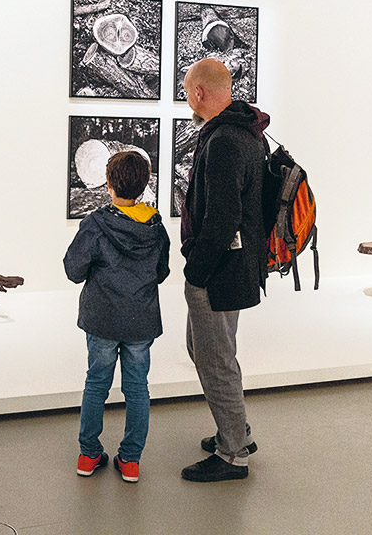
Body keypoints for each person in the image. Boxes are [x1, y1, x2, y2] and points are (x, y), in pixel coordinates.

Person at [179, 58, 269, 482]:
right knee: (209, 352)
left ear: (199, 92)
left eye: (186, 91)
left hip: (220, 272)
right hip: (235, 266)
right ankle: (237, 430)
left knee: (215, 360)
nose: (187, 99)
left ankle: (233, 454)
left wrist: (197, 271)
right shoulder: (244, 132)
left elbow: (223, 218)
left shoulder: (225, 141)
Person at [63, 151, 170, 483]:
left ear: (108, 184)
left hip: (102, 318)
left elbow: (73, 269)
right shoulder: (156, 227)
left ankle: (88, 454)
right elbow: (161, 272)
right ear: (144, 185)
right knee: (137, 388)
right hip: (141, 319)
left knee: (96, 384)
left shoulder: (96, 224)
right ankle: (131, 460)